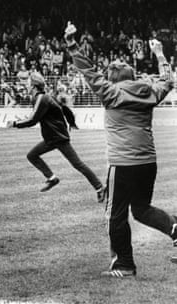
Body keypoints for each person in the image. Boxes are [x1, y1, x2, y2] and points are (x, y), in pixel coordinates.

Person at [64, 21, 177, 278]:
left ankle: (125, 264)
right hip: (148, 162)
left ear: (113, 80)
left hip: (122, 163)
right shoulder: (149, 93)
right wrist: (159, 53)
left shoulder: (111, 93)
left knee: (115, 216)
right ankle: (176, 228)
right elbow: (168, 80)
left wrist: (71, 43)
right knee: (141, 209)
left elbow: (89, 71)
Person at [6, 72, 105, 202]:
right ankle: (52, 179)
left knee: (78, 164)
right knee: (32, 156)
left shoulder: (42, 98)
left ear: (34, 86)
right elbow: (58, 110)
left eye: (29, 83)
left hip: (58, 137)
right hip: (52, 137)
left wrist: (15, 123)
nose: (27, 85)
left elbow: (33, 120)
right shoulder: (40, 97)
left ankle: (99, 187)